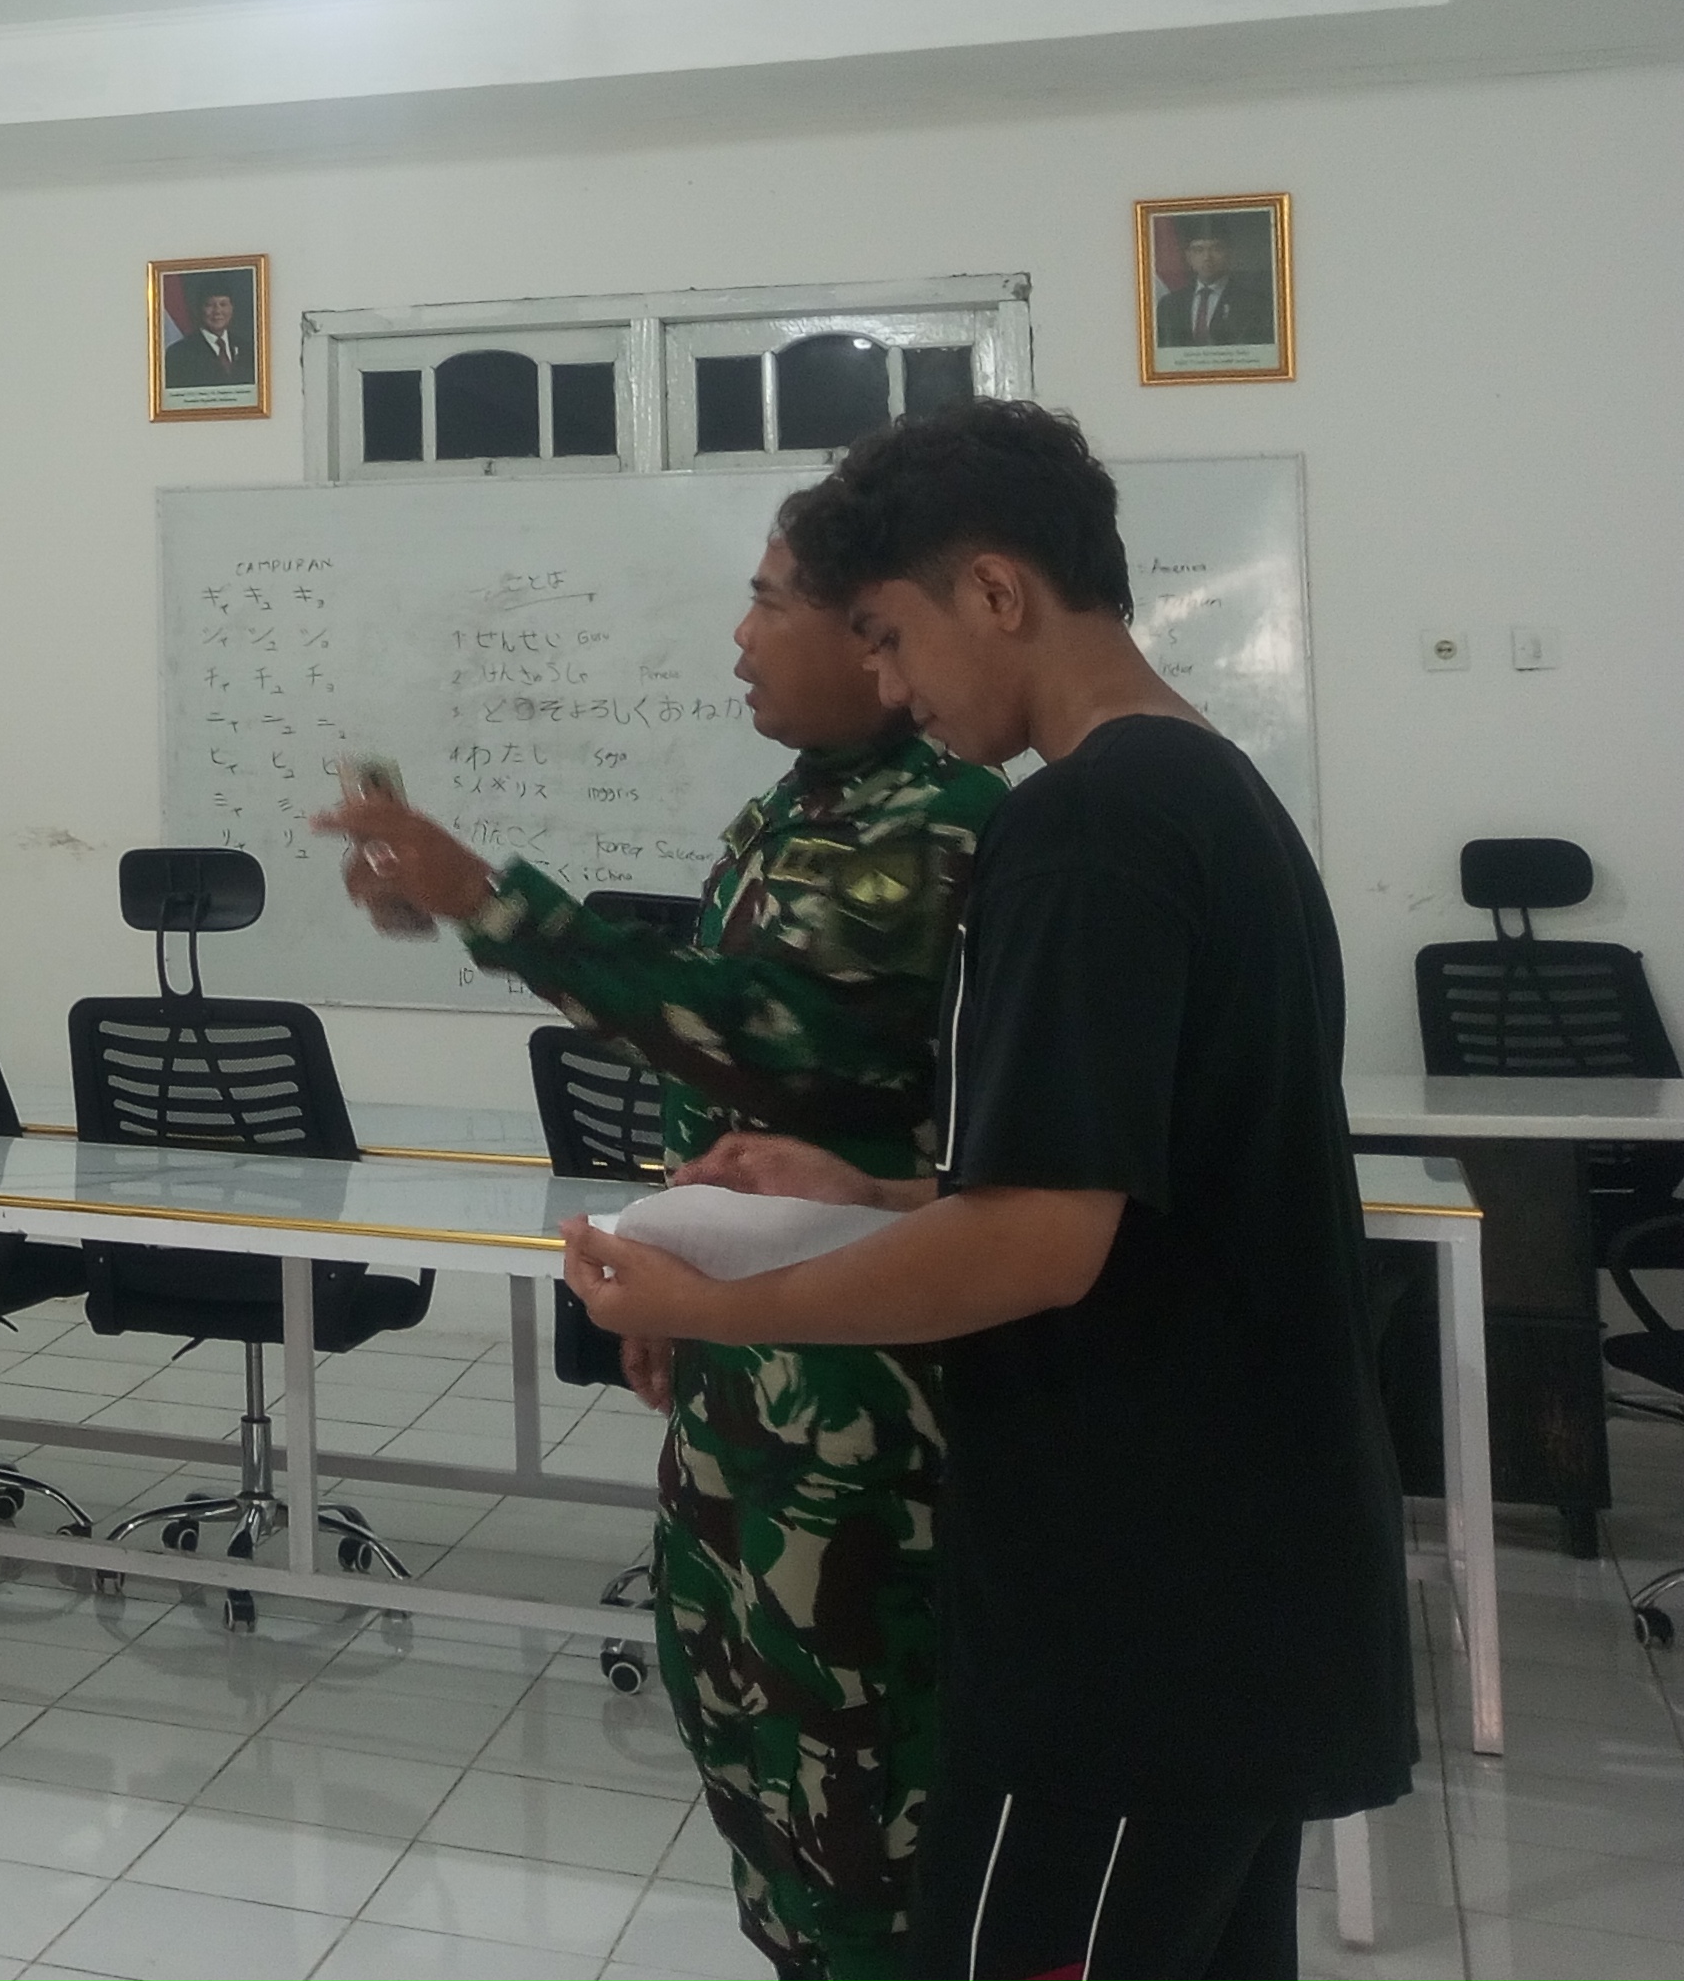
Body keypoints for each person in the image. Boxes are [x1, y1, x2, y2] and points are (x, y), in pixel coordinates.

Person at [561, 402, 1413, 1981]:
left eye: (891, 635)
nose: (889, 684)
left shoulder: (1083, 829)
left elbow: (1034, 1249)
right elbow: (1120, 1195)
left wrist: (714, 1300)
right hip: (1233, 1587)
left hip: (1134, 1617)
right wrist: (872, 1192)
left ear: (1000, 593)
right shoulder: (1203, 793)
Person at [323, 505, 1005, 1981]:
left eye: (771, 605)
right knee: (741, 1716)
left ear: (874, 637)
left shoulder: (935, 818)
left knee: (856, 1764)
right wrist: (688, 1267)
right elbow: (733, 1087)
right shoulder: (797, 807)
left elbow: (771, 1035)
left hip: (860, 1377)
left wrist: (484, 899)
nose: (740, 640)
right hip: (749, 1343)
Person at [1153, 224, 1274, 351]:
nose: (1207, 258)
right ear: (1188, 257)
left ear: (1229, 253)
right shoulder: (1169, 304)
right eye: (1199, 250)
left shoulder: (1254, 303)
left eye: (1216, 249)